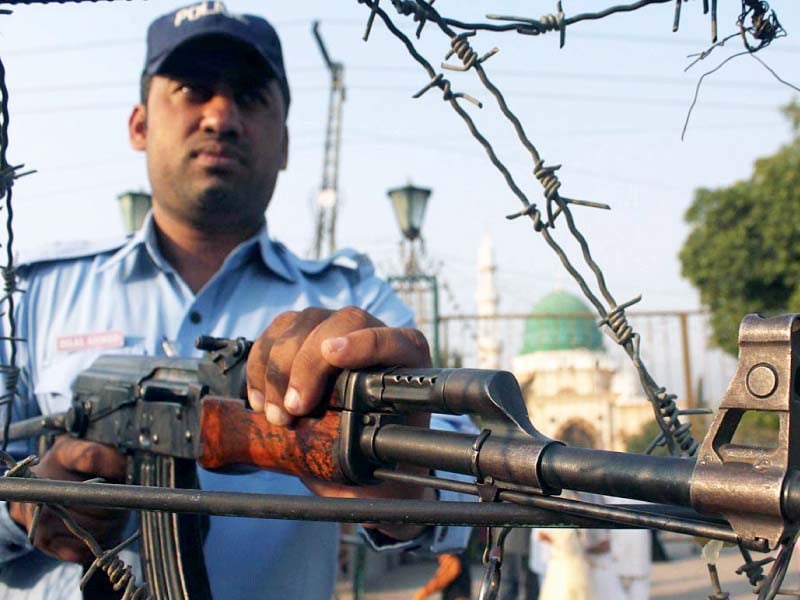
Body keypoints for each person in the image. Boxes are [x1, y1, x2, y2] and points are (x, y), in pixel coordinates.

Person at [0, 3, 469, 598]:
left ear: (286, 144)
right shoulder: (38, 293)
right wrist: (27, 508)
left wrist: (409, 487)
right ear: (139, 124)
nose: (220, 117)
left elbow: (460, 469)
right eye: (193, 91)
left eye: (250, 97)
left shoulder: (348, 301)